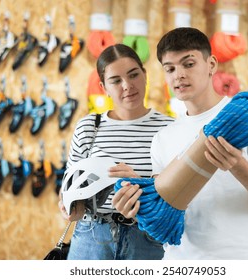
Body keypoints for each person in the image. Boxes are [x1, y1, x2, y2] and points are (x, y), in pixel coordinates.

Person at [113, 27, 248, 260]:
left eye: (189, 64)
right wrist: (137, 207)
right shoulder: (162, 138)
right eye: (170, 69)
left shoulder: (247, 118)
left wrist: (238, 165)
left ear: (212, 65)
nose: (179, 75)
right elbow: (166, 212)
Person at [58, 43, 174, 260]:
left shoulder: (170, 129)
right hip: (91, 238)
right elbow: (71, 187)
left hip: (148, 240)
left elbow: (177, 197)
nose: (127, 85)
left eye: (133, 75)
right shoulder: (88, 127)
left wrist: (142, 187)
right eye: (116, 80)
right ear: (104, 87)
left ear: (145, 75)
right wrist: (70, 208)